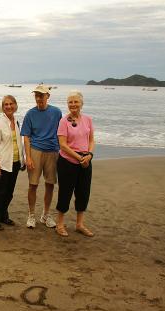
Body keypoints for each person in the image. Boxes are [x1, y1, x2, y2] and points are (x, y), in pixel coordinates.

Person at [21, 84, 62, 229]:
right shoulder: (30, 114)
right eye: (36, 95)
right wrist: (28, 157)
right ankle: (31, 215)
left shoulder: (56, 112)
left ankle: (45, 214)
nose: (38, 98)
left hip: (53, 151)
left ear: (48, 96)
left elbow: (62, 132)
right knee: (33, 185)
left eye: (41, 95)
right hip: (35, 150)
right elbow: (26, 136)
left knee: (50, 184)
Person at [55, 90, 95, 237]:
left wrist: (89, 155)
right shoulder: (63, 121)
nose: (73, 104)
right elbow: (63, 145)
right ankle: (59, 224)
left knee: (83, 193)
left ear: (81, 103)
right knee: (65, 193)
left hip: (86, 161)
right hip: (68, 162)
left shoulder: (88, 120)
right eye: (70, 102)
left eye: (76, 101)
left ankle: (79, 224)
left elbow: (91, 140)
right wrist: (79, 158)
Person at [0, 95, 25, 230]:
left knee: (9, 192)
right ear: (3, 108)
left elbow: (19, 143)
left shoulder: (17, 121)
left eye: (11, 104)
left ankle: (3, 215)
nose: (9, 107)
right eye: (6, 105)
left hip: (14, 162)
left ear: (15, 105)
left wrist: (22, 159)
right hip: (3, 163)